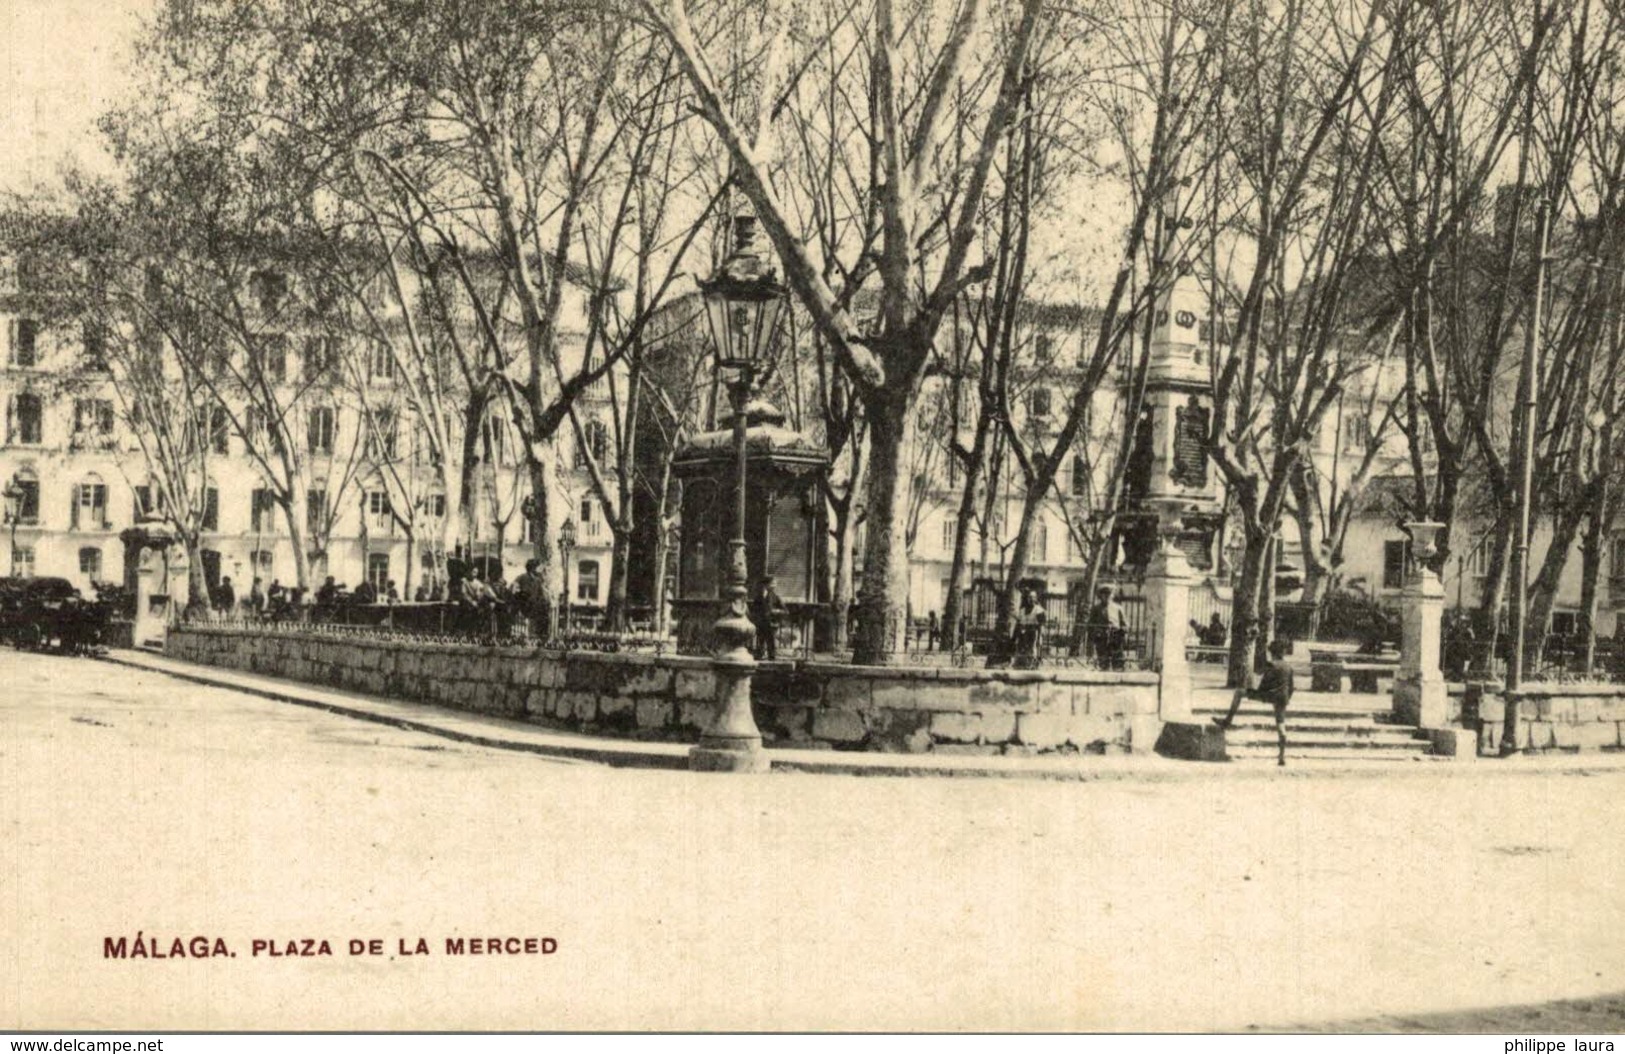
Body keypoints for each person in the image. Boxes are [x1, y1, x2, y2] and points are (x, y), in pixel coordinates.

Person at [1214, 637, 1295, 767]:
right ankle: (1281, 756)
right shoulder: (1289, 667)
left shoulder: (1272, 664)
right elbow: (1291, 687)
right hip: (1283, 697)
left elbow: (1265, 684)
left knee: (1239, 692)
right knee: (1280, 722)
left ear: (1272, 652)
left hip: (1269, 694)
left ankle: (1227, 720)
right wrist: (1286, 699)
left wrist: (1259, 694)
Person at [1088, 586, 1127, 670]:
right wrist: (1095, 633)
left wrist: (1122, 632)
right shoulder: (1096, 608)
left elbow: (1124, 624)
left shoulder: (1118, 608)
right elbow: (1091, 624)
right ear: (1100, 596)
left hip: (1115, 637)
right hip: (1101, 638)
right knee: (1103, 661)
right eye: (1104, 594)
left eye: (1109, 594)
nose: (1107, 596)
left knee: (1117, 662)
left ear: (1112, 595)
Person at [751, 576, 788, 660]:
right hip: (761, 622)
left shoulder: (775, 597)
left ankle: (771, 657)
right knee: (760, 640)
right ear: (766, 584)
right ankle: (759, 655)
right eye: (772, 583)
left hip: (771, 622)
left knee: (771, 641)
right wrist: (756, 618)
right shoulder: (758, 596)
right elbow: (754, 609)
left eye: (775, 584)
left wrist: (777, 611)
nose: (774, 585)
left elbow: (785, 610)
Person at [1012, 588, 1046, 667]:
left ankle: (1033, 665)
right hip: (1023, 634)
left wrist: (1040, 637)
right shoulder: (1022, 610)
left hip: (1033, 633)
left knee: (1032, 650)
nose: (1030, 599)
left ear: (1035, 598)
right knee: (1021, 651)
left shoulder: (1039, 610)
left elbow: (1041, 625)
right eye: (1029, 597)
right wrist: (1015, 636)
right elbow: (1019, 624)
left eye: (1032, 597)